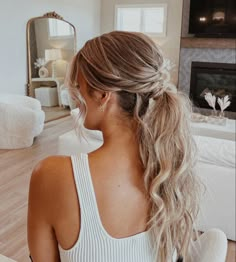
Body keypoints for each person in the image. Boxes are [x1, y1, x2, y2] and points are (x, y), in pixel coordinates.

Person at [27, 31, 200, 262]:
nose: (77, 97)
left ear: (102, 94)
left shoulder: (51, 175)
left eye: (79, 86)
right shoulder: (171, 167)